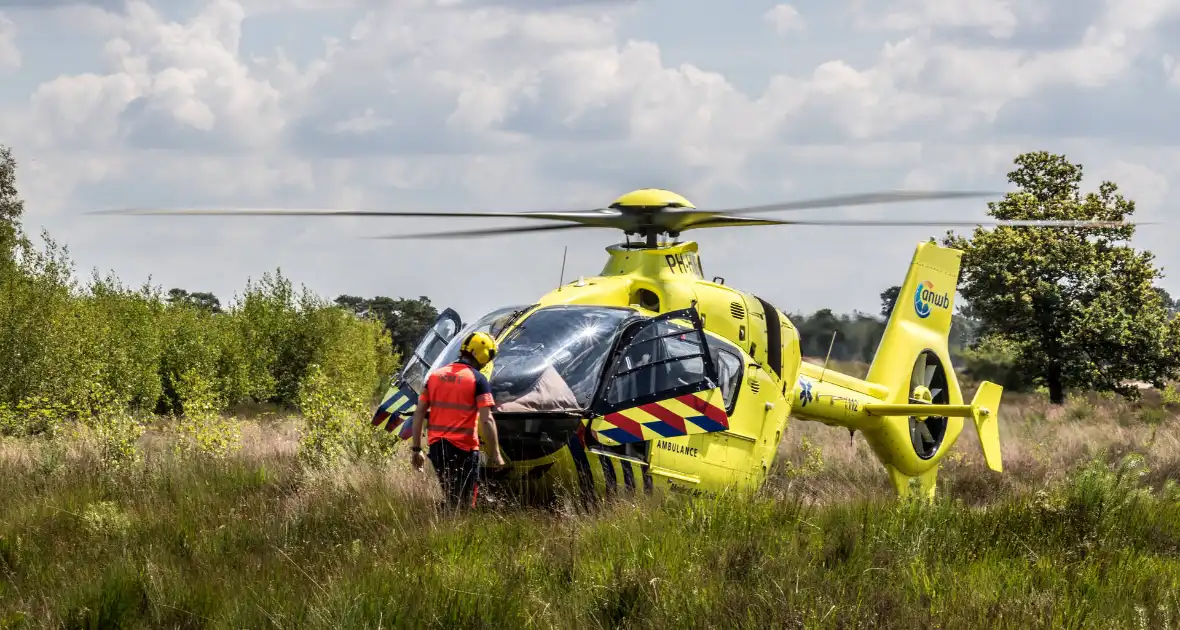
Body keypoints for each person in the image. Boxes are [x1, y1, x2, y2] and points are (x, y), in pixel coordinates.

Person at [409, 331, 506, 509]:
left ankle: (445, 524)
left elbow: (419, 413)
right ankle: (451, 528)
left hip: (438, 448)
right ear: (483, 355)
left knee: (451, 494)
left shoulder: (435, 376)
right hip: (464, 449)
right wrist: (496, 454)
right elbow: (487, 420)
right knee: (465, 501)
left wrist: (416, 449)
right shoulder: (478, 379)